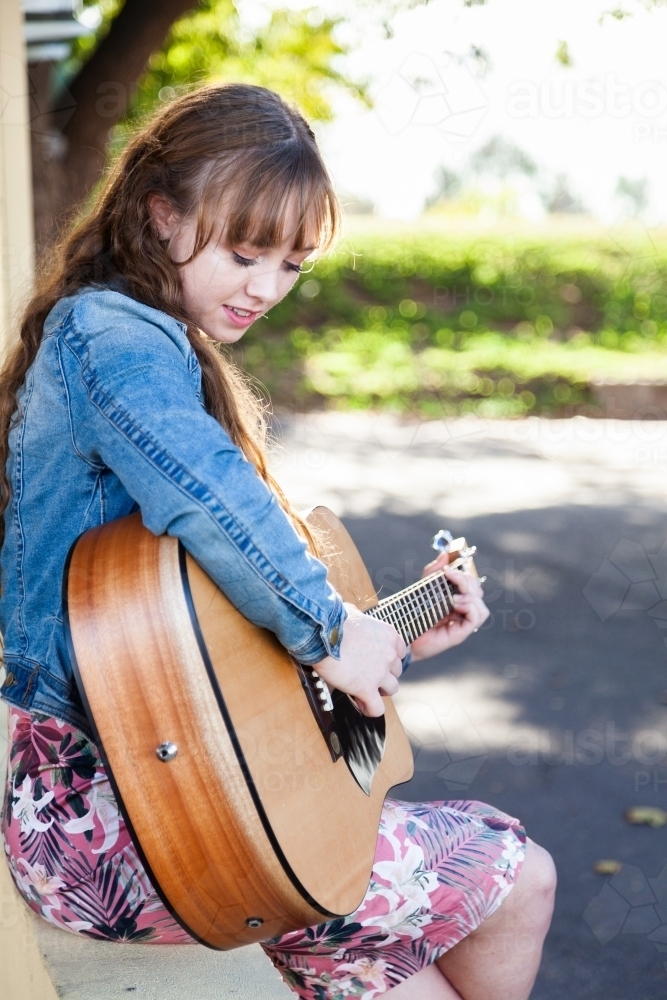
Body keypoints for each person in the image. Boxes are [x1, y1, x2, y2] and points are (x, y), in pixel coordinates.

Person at [0, 84, 555, 999]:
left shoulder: (154, 343)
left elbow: (200, 639)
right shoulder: (110, 333)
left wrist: (390, 628)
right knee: (516, 871)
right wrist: (334, 633)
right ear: (160, 213)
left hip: (180, 796)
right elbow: (209, 502)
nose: (264, 288)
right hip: (107, 821)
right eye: (243, 251)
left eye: (291, 265)